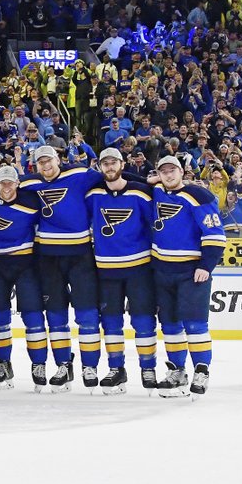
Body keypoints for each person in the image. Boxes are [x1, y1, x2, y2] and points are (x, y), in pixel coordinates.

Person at [20, 145, 104, 392]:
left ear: (58, 159)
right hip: (48, 257)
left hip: (80, 255)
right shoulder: (31, 183)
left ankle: (90, 366)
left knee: (87, 315)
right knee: (55, 315)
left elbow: (113, 178)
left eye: (49, 161)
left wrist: (146, 181)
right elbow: (3, 187)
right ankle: (63, 364)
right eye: (40, 163)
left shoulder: (79, 174)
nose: (46, 166)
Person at [85, 148, 158, 394]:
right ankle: (117, 370)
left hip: (139, 267)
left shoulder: (141, 192)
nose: (109, 167)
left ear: (122, 163)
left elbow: (155, 225)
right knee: (111, 323)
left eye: (113, 162)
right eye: (104, 163)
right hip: (106, 270)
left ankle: (148, 368)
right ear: (100, 167)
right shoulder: (93, 194)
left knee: (144, 321)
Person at [151, 156, 226, 397]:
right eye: (163, 172)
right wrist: (151, 179)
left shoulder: (199, 195)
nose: (168, 175)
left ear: (182, 171)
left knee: (195, 325)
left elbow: (215, 234)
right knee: (170, 326)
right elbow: (128, 181)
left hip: (192, 272)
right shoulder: (156, 192)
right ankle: (177, 372)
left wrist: (206, 265)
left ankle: (201, 371)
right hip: (162, 272)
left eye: (172, 170)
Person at [0, 165, 48, 391]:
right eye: (2, 183)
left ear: (17, 183)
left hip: (25, 264)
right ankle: (3, 364)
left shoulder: (32, 201)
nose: (5, 187)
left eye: (10, 182)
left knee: (33, 316)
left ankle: (39, 364)